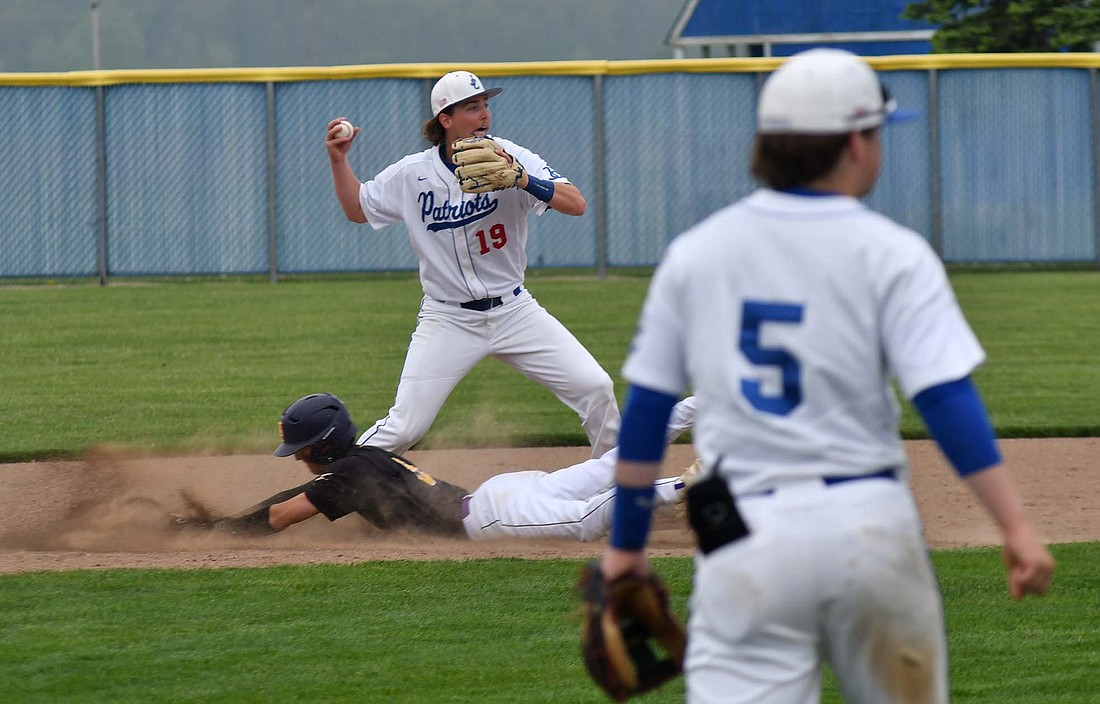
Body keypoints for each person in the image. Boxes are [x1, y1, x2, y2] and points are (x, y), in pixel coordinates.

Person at [598, 49, 1055, 703]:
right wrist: (1014, 527)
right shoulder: (893, 253)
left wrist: (626, 547)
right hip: (869, 530)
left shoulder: (697, 253)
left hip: (743, 540)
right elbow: (945, 397)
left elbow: (647, 409)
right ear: (853, 144)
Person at [325, 70, 619, 459]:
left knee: (596, 388)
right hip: (448, 319)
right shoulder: (413, 173)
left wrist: (523, 179)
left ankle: (615, 489)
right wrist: (338, 160)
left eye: (485, 105)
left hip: (515, 311)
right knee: (405, 426)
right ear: (445, 120)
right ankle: (331, 486)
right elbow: (357, 209)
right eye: (471, 107)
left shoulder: (511, 156)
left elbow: (575, 203)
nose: (484, 114)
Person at [175, 392, 697, 542]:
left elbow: (281, 516)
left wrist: (219, 530)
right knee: (614, 462)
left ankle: (683, 485)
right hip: (503, 494)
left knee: (588, 519)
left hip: (489, 518)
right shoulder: (369, 457)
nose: (299, 460)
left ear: (324, 448)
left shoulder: (348, 476)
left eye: (302, 450)